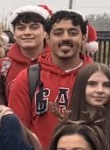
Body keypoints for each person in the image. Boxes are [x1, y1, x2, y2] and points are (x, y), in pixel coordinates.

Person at [9, 9, 94, 142]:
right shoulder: (28, 77)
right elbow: (17, 131)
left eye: (73, 33)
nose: (65, 38)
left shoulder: (96, 77)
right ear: (47, 37)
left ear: (83, 37)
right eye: (58, 33)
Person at [64, 64, 110, 149]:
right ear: (81, 87)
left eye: (106, 85)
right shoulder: (67, 124)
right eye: (92, 84)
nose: (100, 90)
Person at [0, 4, 52, 85]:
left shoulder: (58, 63)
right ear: (14, 33)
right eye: (21, 28)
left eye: (34, 27)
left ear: (45, 32)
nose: (27, 32)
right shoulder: (1, 67)